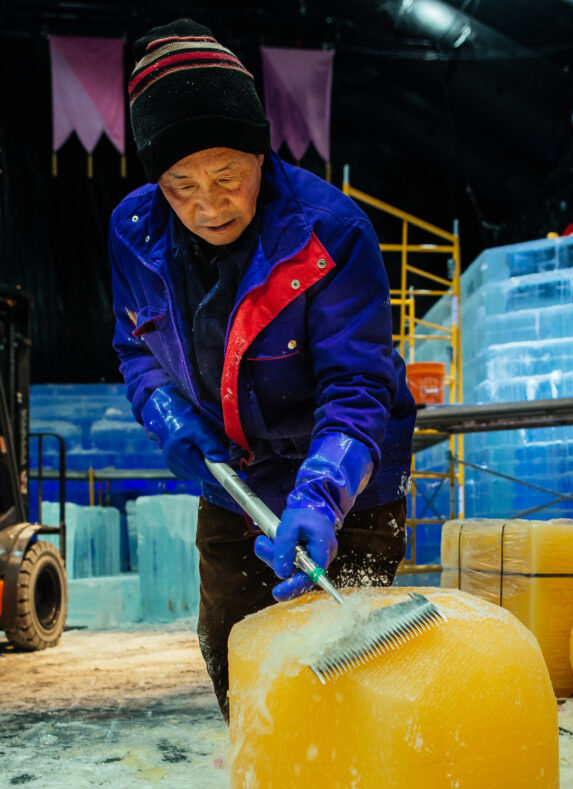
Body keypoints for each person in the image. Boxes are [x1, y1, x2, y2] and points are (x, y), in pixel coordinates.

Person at [109, 18, 416, 721]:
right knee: (235, 651)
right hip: (233, 479)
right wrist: (166, 416)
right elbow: (134, 348)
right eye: (181, 183)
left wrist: (323, 494)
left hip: (350, 483)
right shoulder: (133, 232)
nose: (208, 204)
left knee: (343, 674)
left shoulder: (329, 232)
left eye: (226, 175)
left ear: (260, 151)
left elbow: (359, 386)